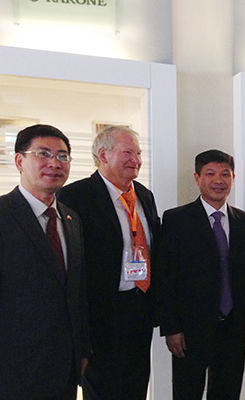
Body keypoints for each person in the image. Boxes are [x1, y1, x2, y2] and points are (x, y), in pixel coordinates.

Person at [57, 126, 160, 400]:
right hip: (100, 315)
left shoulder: (144, 195)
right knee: (104, 390)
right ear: (103, 155)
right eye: (128, 152)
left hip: (140, 309)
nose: (136, 160)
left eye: (138, 153)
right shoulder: (75, 197)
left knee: (136, 386)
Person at [0, 124, 89, 399]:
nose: (54, 163)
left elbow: (76, 292)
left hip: (64, 366)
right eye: (43, 154)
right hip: (11, 368)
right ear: (19, 161)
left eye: (62, 156)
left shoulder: (71, 219)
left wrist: (82, 349)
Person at [156, 149, 245, 400]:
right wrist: (171, 328)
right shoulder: (176, 220)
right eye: (210, 173)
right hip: (189, 330)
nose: (218, 180)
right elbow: (165, 278)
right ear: (197, 178)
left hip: (233, 328)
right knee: (187, 393)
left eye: (225, 174)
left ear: (233, 178)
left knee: (228, 392)